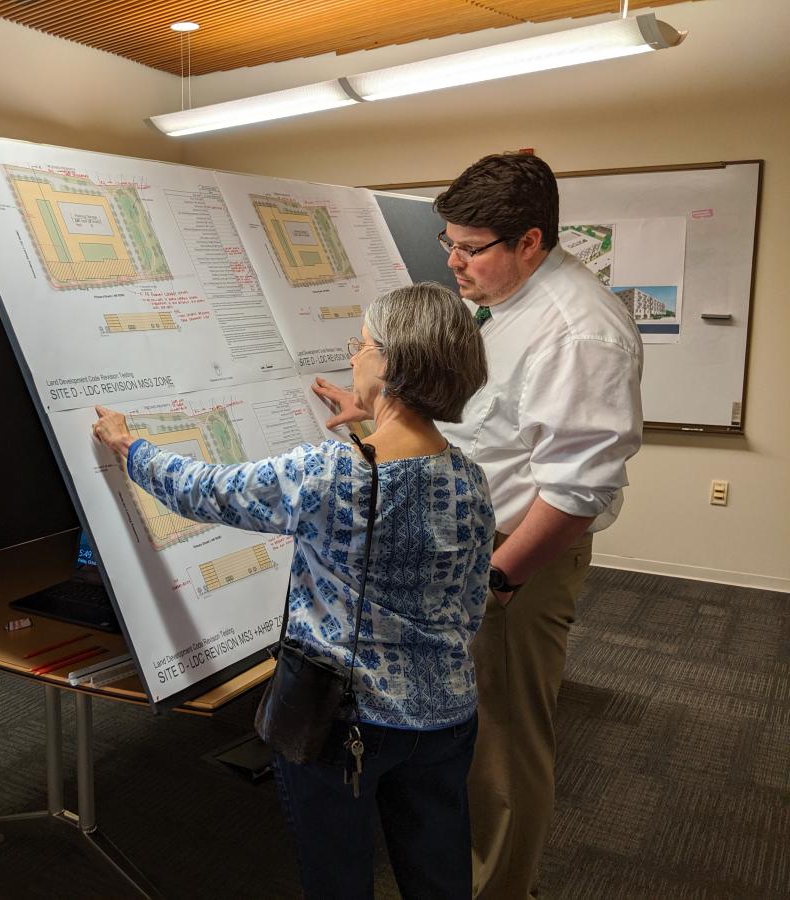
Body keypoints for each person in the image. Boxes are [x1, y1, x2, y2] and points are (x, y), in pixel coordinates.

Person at [94, 283, 495, 900]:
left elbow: (207, 489)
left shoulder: (331, 472)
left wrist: (130, 446)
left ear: (391, 365)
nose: (353, 357)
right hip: (446, 716)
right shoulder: (468, 478)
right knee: (439, 877)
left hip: (341, 719)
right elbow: (471, 605)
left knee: (337, 879)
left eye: (360, 346)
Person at [316, 153, 644, 898]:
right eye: (448, 243)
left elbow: (575, 494)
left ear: (531, 241)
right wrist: (379, 411)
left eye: (472, 248)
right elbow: (485, 425)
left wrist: (497, 583)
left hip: (516, 555)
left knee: (502, 742)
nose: (454, 263)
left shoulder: (577, 332)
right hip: (465, 539)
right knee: (457, 728)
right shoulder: (504, 299)